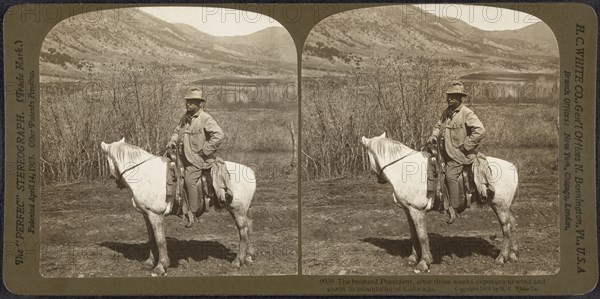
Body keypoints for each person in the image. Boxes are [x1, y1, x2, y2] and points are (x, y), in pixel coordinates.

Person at [427, 82, 485, 224]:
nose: (449, 100)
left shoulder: (467, 113)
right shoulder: (446, 112)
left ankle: (454, 208)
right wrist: (434, 136)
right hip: (443, 153)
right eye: (448, 97)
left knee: (451, 176)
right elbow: (437, 126)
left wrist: (466, 146)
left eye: (452, 97)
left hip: (459, 155)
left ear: (460, 98)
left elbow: (480, 130)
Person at [167, 88, 224, 227]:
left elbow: (219, 135)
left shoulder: (205, 118)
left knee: (189, 180)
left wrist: (205, 150)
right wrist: (172, 141)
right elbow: (176, 132)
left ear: (199, 104)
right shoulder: (185, 117)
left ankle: (193, 213)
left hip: (197, 159)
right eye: (187, 102)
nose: (188, 105)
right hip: (181, 157)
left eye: (191, 102)